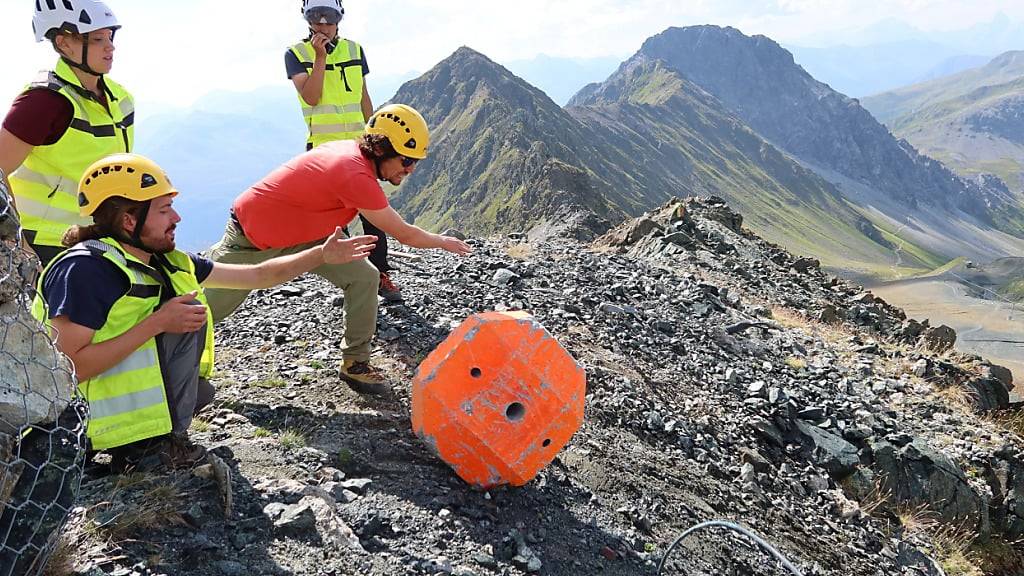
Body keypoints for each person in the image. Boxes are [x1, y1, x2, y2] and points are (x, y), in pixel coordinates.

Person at [31, 153, 375, 470]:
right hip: (71, 419)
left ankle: (150, 438)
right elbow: (68, 368)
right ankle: (143, 448)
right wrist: (158, 323)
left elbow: (258, 275)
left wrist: (321, 256)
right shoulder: (86, 271)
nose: (177, 217)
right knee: (183, 315)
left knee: (201, 390)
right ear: (128, 220)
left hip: (112, 405)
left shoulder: (166, 261)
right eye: (164, 209)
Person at [205, 104, 472, 396]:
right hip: (251, 240)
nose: (410, 169)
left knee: (364, 278)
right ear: (382, 149)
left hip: (312, 236)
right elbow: (405, 234)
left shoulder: (357, 162)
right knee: (201, 313)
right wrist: (443, 241)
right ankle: (167, 371)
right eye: (406, 160)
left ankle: (355, 364)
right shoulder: (354, 174)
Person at [1, 0, 133, 266]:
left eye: (110, 36)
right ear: (63, 44)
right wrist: (19, 245)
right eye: (97, 39)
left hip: (100, 238)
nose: (110, 46)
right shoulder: (42, 101)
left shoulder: (121, 98)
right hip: (46, 245)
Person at [286, 0, 401, 301]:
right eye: (315, 17)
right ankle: (357, 280)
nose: (323, 24)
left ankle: (380, 276)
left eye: (329, 17)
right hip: (324, 155)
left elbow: (363, 96)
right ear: (306, 18)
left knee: (372, 216)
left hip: (359, 148)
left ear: (340, 18)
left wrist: (376, 135)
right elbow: (310, 97)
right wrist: (320, 57)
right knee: (336, 221)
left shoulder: (354, 50)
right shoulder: (296, 55)